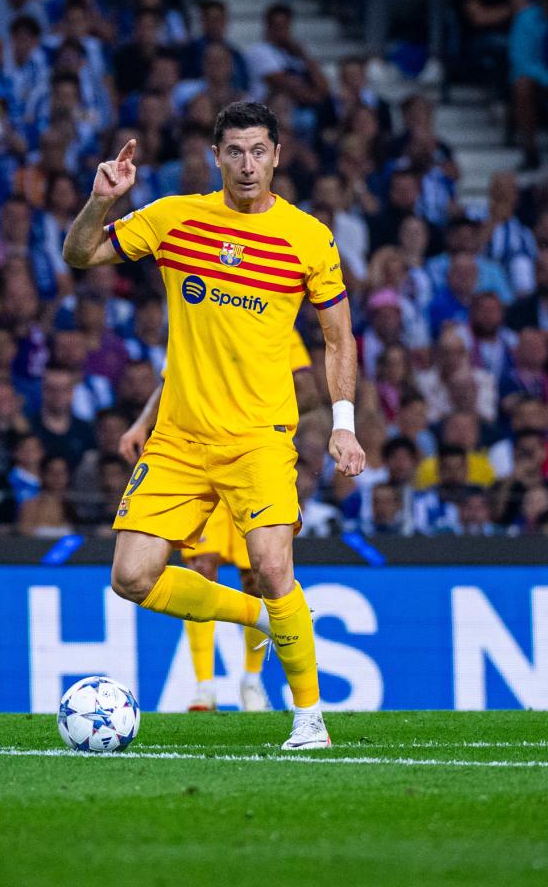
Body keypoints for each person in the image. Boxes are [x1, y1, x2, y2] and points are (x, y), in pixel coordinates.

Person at [63, 101, 366, 750]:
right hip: (180, 436)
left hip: (259, 437)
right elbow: (80, 253)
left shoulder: (308, 237)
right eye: (235, 151)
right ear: (216, 157)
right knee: (131, 577)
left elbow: (338, 337)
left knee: (272, 564)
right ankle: (261, 618)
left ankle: (308, 718)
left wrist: (343, 424)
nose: (247, 164)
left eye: (259, 150)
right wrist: (101, 202)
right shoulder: (177, 218)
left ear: (278, 155)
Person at [119, 331, 321, 713]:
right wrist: (142, 422)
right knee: (200, 564)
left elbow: (309, 391)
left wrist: (265, 387)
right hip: (196, 451)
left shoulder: (271, 315)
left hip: (250, 454)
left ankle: (250, 681)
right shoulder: (199, 311)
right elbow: (172, 377)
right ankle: (204, 686)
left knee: (256, 574)